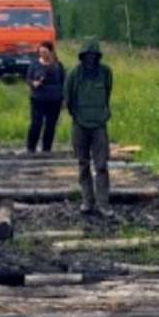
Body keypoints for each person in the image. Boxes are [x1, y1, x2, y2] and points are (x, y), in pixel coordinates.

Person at [65, 39, 113, 216]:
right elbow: (68, 99)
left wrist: (102, 115)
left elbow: (107, 94)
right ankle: (87, 200)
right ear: (82, 56)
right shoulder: (74, 74)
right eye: (87, 56)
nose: (90, 59)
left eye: (93, 56)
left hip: (99, 125)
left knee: (101, 165)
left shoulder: (106, 73)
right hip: (80, 125)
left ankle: (103, 203)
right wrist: (77, 116)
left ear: (98, 56)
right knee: (83, 163)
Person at [25, 40, 65, 153]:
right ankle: (31, 147)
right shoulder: (34, 64)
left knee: (51, 125)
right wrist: (33, 83)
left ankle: (47, 148)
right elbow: (28, 78)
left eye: (45, 52)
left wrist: (64, 99)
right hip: (37, 99)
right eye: (41, 52)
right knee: (36, 123)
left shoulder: (58, 66)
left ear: (51, 52)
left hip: (54, 100)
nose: (42, 54)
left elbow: (63, 82)